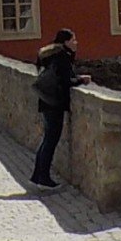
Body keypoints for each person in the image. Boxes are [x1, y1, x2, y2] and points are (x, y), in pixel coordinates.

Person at [31, 28, 90, 191]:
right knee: (51, 140)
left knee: (47, 139)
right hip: (54, 102)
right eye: (73, 40)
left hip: (45, 100)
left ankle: (38, 176)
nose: (76, 43)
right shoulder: (62, 57)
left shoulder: (50, 55)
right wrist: (81, 80)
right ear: (66, 42)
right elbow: (65, 81)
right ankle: (43, 179)